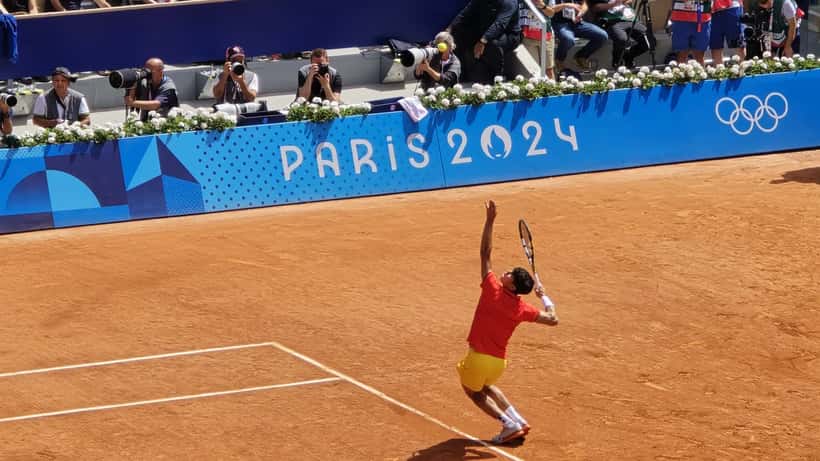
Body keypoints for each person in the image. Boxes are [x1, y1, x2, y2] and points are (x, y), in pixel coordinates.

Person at [457, 200, 558, 445]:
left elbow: (485, 254)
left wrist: (490, 221)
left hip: (479, 358)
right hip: (498, 363)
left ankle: (507, 423)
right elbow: (553, 319)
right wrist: (544, 296)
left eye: (510, 273)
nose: (506, 272)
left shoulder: (492, 289)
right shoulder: (522, 308)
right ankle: (518, 420)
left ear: (512, 285)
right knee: (487, 387)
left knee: (474, 394)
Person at [447, 0, 522, 83]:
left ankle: (496, 77)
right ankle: (460, 74)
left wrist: (483, 41)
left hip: (509, 35)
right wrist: (449, 30)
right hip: (484, 32)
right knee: (457, 35)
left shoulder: (509, 2)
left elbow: (500, 24)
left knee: (494, 43)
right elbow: (464, 15)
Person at [589, 0, 650, 68]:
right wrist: (614, 4)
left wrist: (624, 1)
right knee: (622, 40)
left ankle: (628, 56)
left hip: (630, 18)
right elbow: (595, 8)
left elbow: (630, 1)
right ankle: (617, 62)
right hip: (612, 20)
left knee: (650, 42)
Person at [551, 0, 609, 71]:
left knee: (602, 35)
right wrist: (566, 5)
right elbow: (550, 9)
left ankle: (581, 57)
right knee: (568, 39)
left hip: (576, 22)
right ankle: (559, 60)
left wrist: (581, 13)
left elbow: (584, 4)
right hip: (559, 23)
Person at [125, 57, 179, 122]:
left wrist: (132, 103)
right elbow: (131, 99)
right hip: (147, 121)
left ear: (160, 71)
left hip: (167, 124)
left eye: (149, 71)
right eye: (145, 70)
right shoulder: (145, 82)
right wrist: (133, 83)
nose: (146, 73)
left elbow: (155, 105)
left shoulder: (168, 86)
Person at [521, 0, 557, 80]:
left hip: (546, 36)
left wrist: (543, 6)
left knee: (548, 70)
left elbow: (551, 14)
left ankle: (552, 91)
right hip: (527, 37)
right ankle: (535, 91)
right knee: (532, 71)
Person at [670, 0, 712, 65]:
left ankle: (700, 74)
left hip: (702, 20)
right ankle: (683, 74)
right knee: (681, 54)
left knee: (699, 56)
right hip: (680, 19)